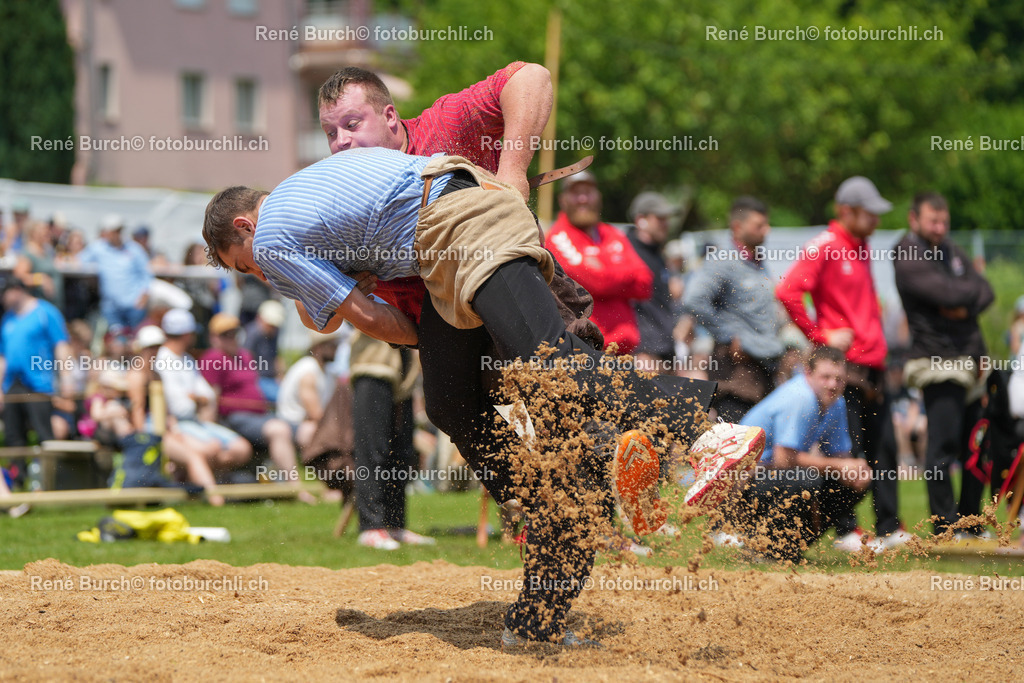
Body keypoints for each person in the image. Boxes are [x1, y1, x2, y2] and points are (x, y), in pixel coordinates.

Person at [201, 147, 765, 647]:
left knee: (557, 369)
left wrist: (513, 168)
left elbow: (368, 319)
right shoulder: (307, 190)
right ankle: (557, 530)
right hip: (444, 247)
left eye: (246, 265)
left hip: (460, 229)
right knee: (449, 403)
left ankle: (706, 427)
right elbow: (330, 304)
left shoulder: (273, 234)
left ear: (246, 226)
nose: (261, 275)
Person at [317, 65, 601, 349]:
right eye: (330, 133)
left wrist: (512, 178)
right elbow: (319, 320)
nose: (341, 142)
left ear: (389, 116)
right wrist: (338, 292)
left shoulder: (442, 126)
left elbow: (531, 77)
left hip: (518, 291)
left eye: (352, 124)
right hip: (444, 337)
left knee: (568, 374)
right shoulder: (336, 206)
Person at [775, 176, 895, 552]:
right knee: (849, 446)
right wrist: (820, 335)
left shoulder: (861, 248)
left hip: (875, 362)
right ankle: (846, 530)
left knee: (883, 447)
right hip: (850, 367)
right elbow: (787, 291)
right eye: (869, 212)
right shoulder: (826, 245)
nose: (876, 219)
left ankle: (890, 527)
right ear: (846, 211)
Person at [894, 192, 994, 537]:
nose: (939, 228)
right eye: (932, 221)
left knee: (976, 447)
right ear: (913, 219)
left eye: (944, 221)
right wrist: (960, 295)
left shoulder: (949, 249)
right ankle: (944, 526)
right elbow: (954, 294)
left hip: (970, 361)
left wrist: (958, 301)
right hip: (938, 363)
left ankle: (969, 520)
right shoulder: (906, 252)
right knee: (943, 447)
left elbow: (986, 291)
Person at [736, 346, 875, 561]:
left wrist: (855, 470)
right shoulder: (800, 397)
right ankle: (762, 548)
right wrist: (840, 467)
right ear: (808, 374)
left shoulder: (836, 402)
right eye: (826, 377)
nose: (833, 385)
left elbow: (839, 456)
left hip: (770, 476)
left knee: (851, 483)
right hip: (739, 484)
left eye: (839, 379)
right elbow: (784, 460)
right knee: (804, 481)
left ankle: (787, 549)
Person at [683, 197, 784, 421]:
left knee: (758, 446)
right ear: (738, 227)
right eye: (759, 226)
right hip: (736, 374)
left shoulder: (757, 262)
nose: (766, 231)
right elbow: (694, 299)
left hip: (763, 369)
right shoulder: (722, 259)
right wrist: (729, 335)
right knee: (737, 446)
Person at [199, 313, 314, 502]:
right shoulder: (212, 358)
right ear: (214, 337)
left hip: (262, 415)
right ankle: (296, 489)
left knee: (309, 430)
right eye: (225, 334)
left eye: (234, 333)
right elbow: (211, 397)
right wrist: (209, 429)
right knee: (279, 430)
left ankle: (331, 486)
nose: (231, 338)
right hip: (235, 418)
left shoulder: (245, 355)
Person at [545, 171, 653, 355]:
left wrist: (605, 271)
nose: (583, 199)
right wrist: (623, 274)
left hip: (625, 352)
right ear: (563, 200)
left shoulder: (612, 233)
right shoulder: (557, 237)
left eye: (589, 192)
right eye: (576, 193)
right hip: (586, 352)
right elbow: (597, 281)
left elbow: (645, 283)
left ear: (599, 197)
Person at [348, 331, 432, 550]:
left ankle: (395, 526)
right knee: (373, 451)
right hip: (373, 368)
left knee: (401, 452)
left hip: (404, 376)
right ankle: (371, 527)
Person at [126, 325, 224, 505]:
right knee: (194, 455)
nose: (154, 352)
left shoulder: (155, 374)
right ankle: (215, 499)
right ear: (141, 349)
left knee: (206, 449)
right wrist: (143, 440)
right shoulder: (138, 375)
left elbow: (164, 410)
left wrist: (174, 428)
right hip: (149, 430)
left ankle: (193, 495)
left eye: (157, 347)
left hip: (162, 426)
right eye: (150, 347)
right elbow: (137, 410)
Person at [155, 308, 252, 476]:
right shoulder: (163, 360)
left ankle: (193, 479)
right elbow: (181, 408)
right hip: (177, 426)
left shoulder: (186, 358)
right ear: (186, 334)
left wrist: (196, 399)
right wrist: (199, 400)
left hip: (193, 423)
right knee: (212, 448)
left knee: (241, 449)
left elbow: (207, 395)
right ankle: (198, 482)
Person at [0, 278, 72, 464]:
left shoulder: (45, 312)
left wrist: (66, 378)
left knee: (45, 435)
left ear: (17, 289)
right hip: (12, 385)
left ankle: (50, 481)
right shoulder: (8, 319)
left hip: (38, 384)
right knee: (13, 437)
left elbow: (61, 345)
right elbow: (2, 357)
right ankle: (18, 482)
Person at [626, 192, 680, 373]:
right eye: (660, 218)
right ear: (641, 219)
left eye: (667, 218)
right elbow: (630, 305)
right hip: (645, 354)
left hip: (664, 348)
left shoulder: (656, 252)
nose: (666, 224)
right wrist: (640, 351)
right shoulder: (627, 251)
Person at [79, 214, 153, 335]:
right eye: (115, 231)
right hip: (111, 307)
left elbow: (146, 274)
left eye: (119, 230)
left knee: (134, 341)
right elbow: (80, 260)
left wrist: (145, 294)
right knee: (115, 341)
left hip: (134, 305)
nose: (118, 234)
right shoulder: (98, 248)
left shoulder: (134, 249)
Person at [276, 331, 340, 451]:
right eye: (332, 345)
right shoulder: (308, 371)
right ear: (318, 347)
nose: (336, 349)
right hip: (293, 423)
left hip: (306, 423)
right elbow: (315, 414)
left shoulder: (327, 372)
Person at [242, 299, 285, 404]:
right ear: (260, 318)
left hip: (270, 380)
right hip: (257, 380)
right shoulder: (252, 333)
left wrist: (280, 375)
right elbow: (245, 359)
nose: (273, 327)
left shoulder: (274, 333)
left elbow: (275, 356)